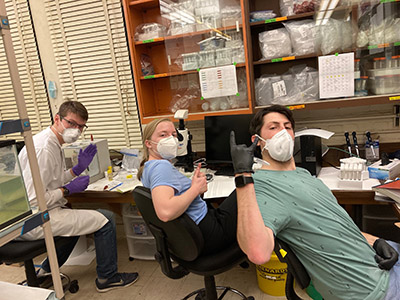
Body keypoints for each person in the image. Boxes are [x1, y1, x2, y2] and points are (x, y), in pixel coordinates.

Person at [230, 105, 400, 300]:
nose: (283, 133)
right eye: (273, 127)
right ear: (257, 141)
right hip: (367, 285)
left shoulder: (303, 174)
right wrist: (242, 175)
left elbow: (331, 223)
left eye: (287, 127)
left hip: (375, 257)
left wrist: (375, 241)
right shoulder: (263, 185)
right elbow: (258, 253)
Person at [18, 100, 138, 292]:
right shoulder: (43, 149)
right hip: (34, 219)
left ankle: (46, 273)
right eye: (71, 123)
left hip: (45, 211)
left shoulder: (53, 142)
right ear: (57, 118)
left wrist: (76, 169)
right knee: (106, 219)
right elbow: (33, 199)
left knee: (79, 224)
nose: (76, 130)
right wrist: (67, 190)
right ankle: (108, 278)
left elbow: (53, 180)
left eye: (81, 126)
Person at [137, 118, 237, 255]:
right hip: (209, 234)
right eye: (163, 135)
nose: (171, 139)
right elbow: (166, 213)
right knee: (246, 190)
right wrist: (195, 189)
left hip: (194, 236)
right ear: (148, 143)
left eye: (173, 134)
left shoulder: (147, 167)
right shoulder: (161, 167)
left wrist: (197, 190)